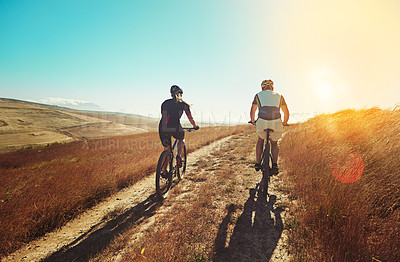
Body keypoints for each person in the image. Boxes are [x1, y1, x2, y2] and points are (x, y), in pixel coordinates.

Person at [250, 79, 289, 174]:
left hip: (262, 122)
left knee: (260, 140)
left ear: (262, 88)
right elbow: (286, 112)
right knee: (274, 143)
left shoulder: (258, 95)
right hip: (276, 122)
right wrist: (284, 122)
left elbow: (253, 111)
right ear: (272, 88)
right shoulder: (280, 96)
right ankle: (275, 164)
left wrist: (252, 121)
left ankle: (258, 163)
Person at [159, 85, 199, 167]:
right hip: (175, 127)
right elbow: (190, 118)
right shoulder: (184, 105)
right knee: (181, 138)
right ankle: (178, 156)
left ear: (171, 94)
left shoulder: (164, 103)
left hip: (163, 127)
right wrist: (195, 126)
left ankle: (163, 171)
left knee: (166, 149)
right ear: (181, 94)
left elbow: (163, 116)